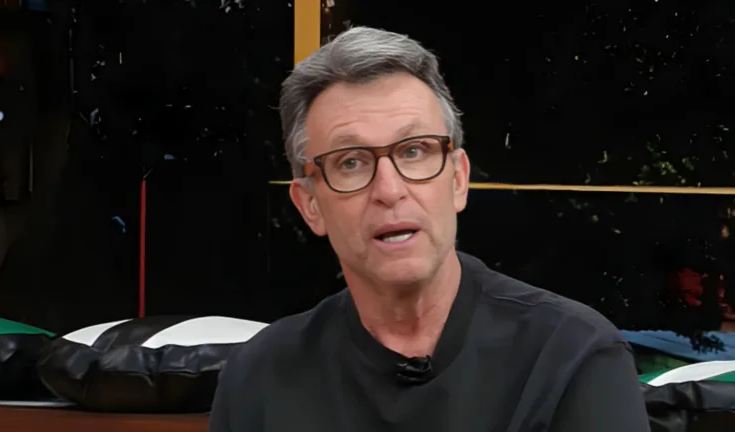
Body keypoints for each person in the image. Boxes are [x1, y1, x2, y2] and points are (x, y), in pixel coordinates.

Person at [209, 27, 650, 432]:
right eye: (351, 162)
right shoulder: (259, 377)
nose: (389, 190)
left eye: (414, 151)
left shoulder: (572, 357)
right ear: (310, 205)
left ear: (458, 179)